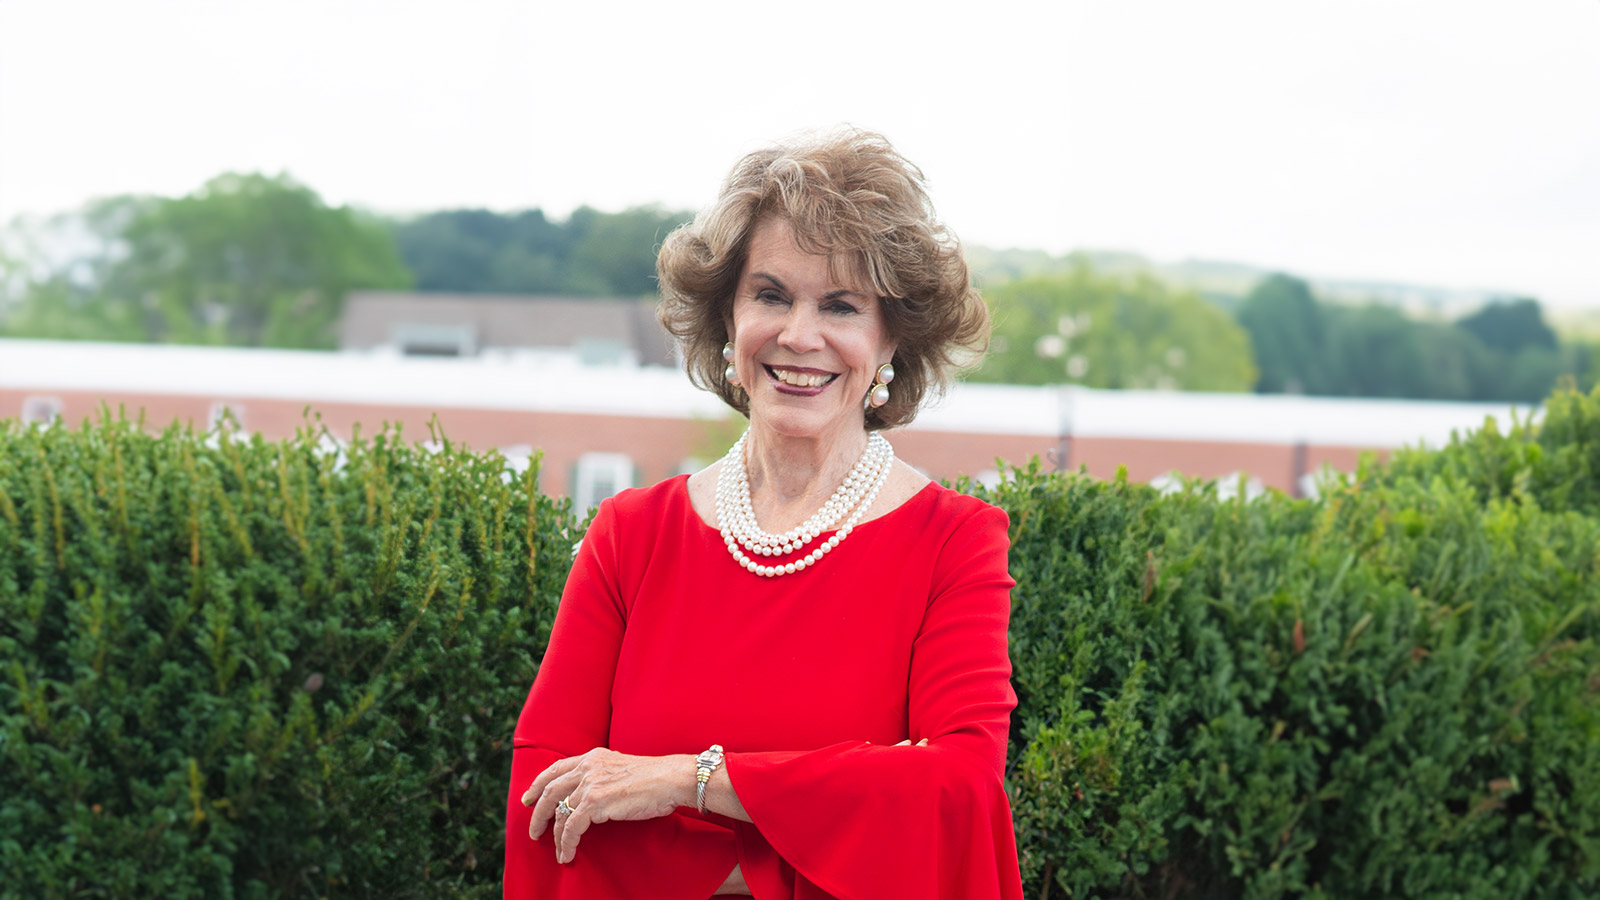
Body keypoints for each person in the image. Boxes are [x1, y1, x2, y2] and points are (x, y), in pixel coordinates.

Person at [504, 128, 1025, 899]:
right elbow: (546, 792)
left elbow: (956, 784)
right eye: (771, 294)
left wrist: (690, 781)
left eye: (841, 305)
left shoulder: (953, 543)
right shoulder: (632, 536)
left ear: (890, 340)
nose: (799, 336)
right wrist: (814, 802)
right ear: (727, 322)